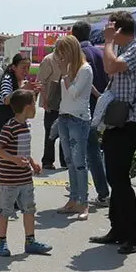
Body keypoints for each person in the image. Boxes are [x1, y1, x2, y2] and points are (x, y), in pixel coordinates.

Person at [89, 12, 136, 255]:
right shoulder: (128, 50)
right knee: (115, 178)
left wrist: (108, 41)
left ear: (118, 29)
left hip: (129, 122)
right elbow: (110, 67)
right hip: (118, 122)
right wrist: (110, 43)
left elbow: (110, 66)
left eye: (110, 28)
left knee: (120, 179)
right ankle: (118, 229)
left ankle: (134, 236)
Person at [0, 90, 52, 257]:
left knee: (29, 209)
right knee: (5, 211)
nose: (35, 107)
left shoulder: (26, 125)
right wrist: (13, 159)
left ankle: (30, 241)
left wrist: (32, 163)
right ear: (27, 107)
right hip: (8, 179)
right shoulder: (10, 126)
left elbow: (24, 150)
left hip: (25, 178)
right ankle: (1, 242)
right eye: (34, 104)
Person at [72, 21, 111, 207]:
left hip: (83, 108)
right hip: (101, 107)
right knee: (93, 149)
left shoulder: (79, 55)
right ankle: (83, 186)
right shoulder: (101, 53)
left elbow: (83, 81)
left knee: (89, 151)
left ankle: (101, 192)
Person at [54, 36, 93, 219]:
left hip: (79, 119)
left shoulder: (85, 69)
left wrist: (65, 74)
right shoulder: (70, 69)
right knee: (69, 161)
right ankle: (73, 199)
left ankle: (83, 203)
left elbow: (74, 93)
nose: (61, 57)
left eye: (63, 53)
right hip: (64, 117)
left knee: (79, 163)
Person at [0, 54, 40, 139]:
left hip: (19, 124)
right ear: (14, 67)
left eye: (28, 68)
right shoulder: (8, 79)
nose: (26, 71)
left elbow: (30, 108)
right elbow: (6, 99)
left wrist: (34, 93)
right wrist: (24, 89)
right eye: (23, 68)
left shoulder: (24, 82)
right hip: (6, 124)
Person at [37, 51, 66, 170]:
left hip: (65, 102)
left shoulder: (68, 58)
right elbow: (41, 82)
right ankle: (47, 161)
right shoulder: (48, 60)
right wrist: (44, 101)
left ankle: (65, 160)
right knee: (50, 133)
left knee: (65, 132)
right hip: (51, 103)